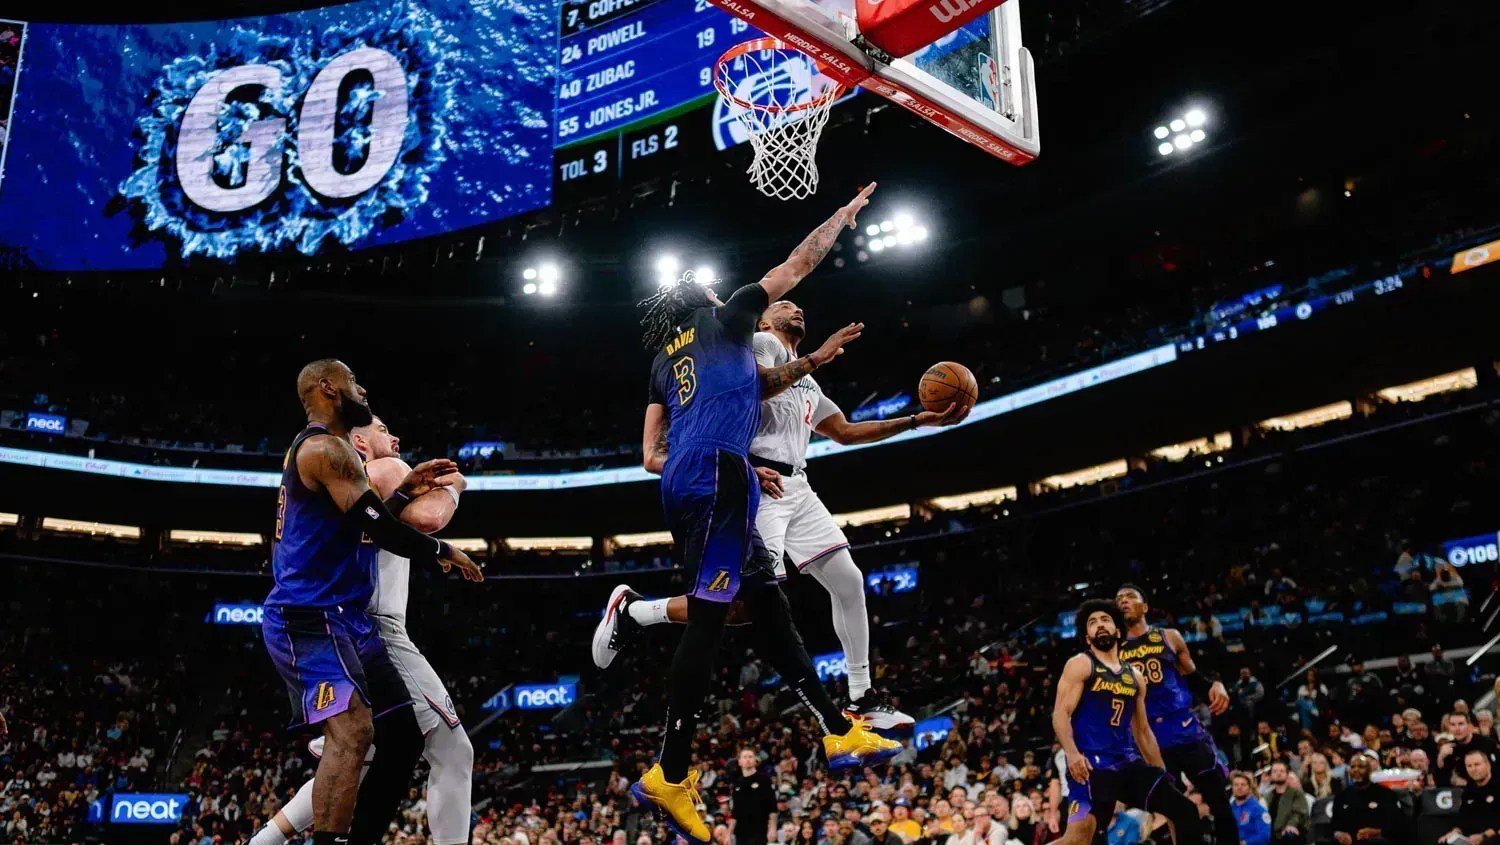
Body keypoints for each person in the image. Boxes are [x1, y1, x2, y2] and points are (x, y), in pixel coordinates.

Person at [624, 186, 900, 844]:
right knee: (714, 619)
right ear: (709, 300)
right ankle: (671, 767)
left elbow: (655, 451)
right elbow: (796, 264)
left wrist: (806, 367)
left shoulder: (668, 360)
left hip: (698, 477)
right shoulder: (731, 320)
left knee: (768, 604)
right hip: (719, 475)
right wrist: (840, 216)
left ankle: (837, 728)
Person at [594, 299, 965, 728]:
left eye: (799, 303)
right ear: (765, 318)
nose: (797, 308)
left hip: (798, 485)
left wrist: (917, 420)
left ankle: (862, 696)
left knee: (848, 579)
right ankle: (636, 611)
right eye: (785, 303)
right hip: (756, 481)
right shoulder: (758, 343)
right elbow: (757, 386)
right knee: (743, 607)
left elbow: (844, 432)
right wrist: (816, 357)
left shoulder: (808, 383)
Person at [259, 360, 481, 845]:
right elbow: (383, 528)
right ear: (327, 388)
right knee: (355, 733)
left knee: (399, 739)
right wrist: (445, 547)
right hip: (312, 614)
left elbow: (364, 524)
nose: (362, 388)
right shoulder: (324, 449)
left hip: (347, 615)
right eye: (353, 381)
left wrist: (400, 490)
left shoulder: (339, 457)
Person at [1046, 599, 1201, 845]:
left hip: (1128, 765)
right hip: (1091, 767)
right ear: (1087, 637)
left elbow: (1142, 730)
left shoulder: (1135, 676)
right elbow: (1060, 714)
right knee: (1077, 839)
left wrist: (1162, 773)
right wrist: (1073, 754)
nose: (1100, 625)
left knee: (1184, 810)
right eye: (1093, 623)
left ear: (1118, 631)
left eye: (1105, 620)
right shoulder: (1081, 664)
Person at [1115, 584, 1236, 845]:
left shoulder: (1169, 636)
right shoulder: (1112, 650)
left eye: (1129, 597)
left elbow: (1192, 677)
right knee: (1175, 810)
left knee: (1218, 799)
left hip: (1184, 728)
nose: (1123, 601)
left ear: (1144, 607)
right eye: (1119, 599)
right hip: (1148, 738)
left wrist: (1215, 683)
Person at [1329, 753, 1405, 845]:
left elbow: (1397, 825)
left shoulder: (1386, 794)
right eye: (1353, 767)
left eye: (1361, 767)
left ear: (1369, 770)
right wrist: (1339, 835)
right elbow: (1334, 826)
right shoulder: (1342, 796)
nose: (1356, 770)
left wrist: (1377, 832)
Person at [1446, 748, 1500, 845]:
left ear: (1488, 765)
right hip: (1470, 839)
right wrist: (1456, 831)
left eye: (1477, 764)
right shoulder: (1468, 790)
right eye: (1469, 766)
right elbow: (1463, 817)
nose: (1473, 769)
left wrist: (1483, 836)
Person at [731, 749, 776, 845]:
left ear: (755, 760)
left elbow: (772, 807)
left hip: (759, 831)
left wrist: (772, 828)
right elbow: (735, 812)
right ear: (739, 762)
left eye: (750, 757)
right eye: (745, 757)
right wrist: (728, 833)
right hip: (741, 833)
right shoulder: (737, 784)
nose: (748, 759)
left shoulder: (764, 780)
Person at [1440, 712, 1499, 786]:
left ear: (1469, 726)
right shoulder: (1448, 748)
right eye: (1453, 725)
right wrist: (1440, 757)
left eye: (1461, 724)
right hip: (1461, 793)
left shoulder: (1487, 743)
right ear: (1449, 728)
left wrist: (1468, 784)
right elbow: (1441, 779)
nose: (1457, 729)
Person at [1262, 761, 1309, 843]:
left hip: (1287, 833)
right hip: (1269, 833)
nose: (1278, 774)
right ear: (1271, 775)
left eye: (1282, 771)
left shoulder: (1296, 793)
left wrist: (1291, 824)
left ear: (1287, 774)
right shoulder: (1267, 796)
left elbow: (1299, 813)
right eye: (1275, 771)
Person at [1229, 772, 1271, 845]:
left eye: (1243, 784)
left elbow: (1265, 835)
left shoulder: (1258, 810)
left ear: (1249, 788)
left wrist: (1246, 843)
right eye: (1236, 785)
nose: (1239, 787)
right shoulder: (1229, 809)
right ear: (1232, 788)